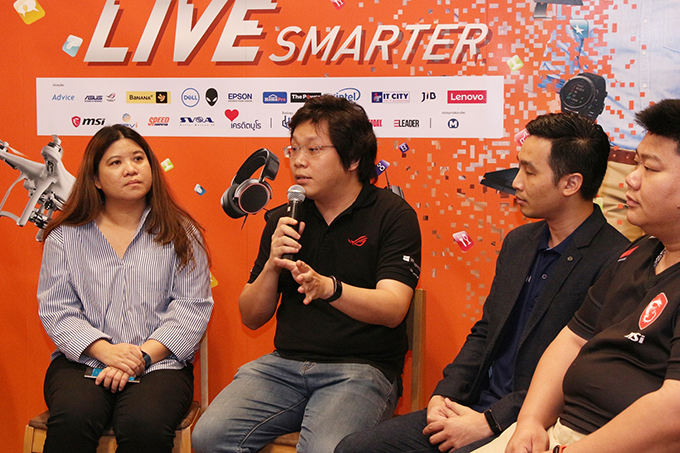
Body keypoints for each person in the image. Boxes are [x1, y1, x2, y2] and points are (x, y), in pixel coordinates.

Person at [335, 112, 629, 453]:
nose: (516, 182)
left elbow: (582, 372)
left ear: (571, 184)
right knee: (355, 448)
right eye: (519, 168)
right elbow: (486, 330)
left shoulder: (615, 260)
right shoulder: (520, 242)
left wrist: (491, 421)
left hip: (533, 423)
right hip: (472, 404)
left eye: (530, 171)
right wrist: (444, 395)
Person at [192, 94, 422, 453]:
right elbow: (251, 316)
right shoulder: (284, 218)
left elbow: (393, 308)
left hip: (361, 370)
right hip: (284, 367)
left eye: (313, 150)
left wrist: (329, 288)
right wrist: (272, 264)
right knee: (209, 436)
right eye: (294, 149)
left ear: (353, 158)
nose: (299, 161)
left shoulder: (392, 215)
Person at [467, 99, 680, 453]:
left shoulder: (609, 250)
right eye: (636, 163)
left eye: (650, 168)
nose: (632, 178)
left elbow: (673, 412)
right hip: (558, 429)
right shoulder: (636, 253)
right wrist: (531, 421)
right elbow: (572, 341)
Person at [37, 125, 214, 453]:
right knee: (74, 418)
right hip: (84, 361)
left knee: (143, 424)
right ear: (95, 179)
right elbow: (57, 309)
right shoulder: (65, 236)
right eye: (115, 162)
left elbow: (192, 307)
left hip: (158, 364)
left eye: (138, 159)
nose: (131, 169)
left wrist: (139, 357)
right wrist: (106, 352)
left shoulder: (182, 232)